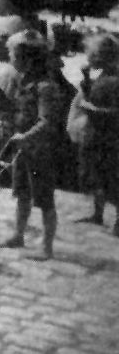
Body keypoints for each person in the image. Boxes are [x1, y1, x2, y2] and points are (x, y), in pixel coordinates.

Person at [0, 30, 66, 259]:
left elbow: (47, 121)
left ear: (27, 59)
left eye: (13, 55)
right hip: (24, 149)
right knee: (22, 193)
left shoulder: (45, 87)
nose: (10, 58)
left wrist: (26, 136)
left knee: (45, 199)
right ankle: (18, 234)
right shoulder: (23, 81)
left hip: (41, 151)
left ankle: (47, 247)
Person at [76, 32, 119, 235]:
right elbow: (92, 96)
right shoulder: (102, 77)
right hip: (96, 133)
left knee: (111, 177)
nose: (88, 59)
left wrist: (91, 109)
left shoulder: (115, 80)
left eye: (91, 55)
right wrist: (85, 81)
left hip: (108, 136)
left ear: (102, 56)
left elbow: (114, 111)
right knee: (96, 175)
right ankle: (97, 213)